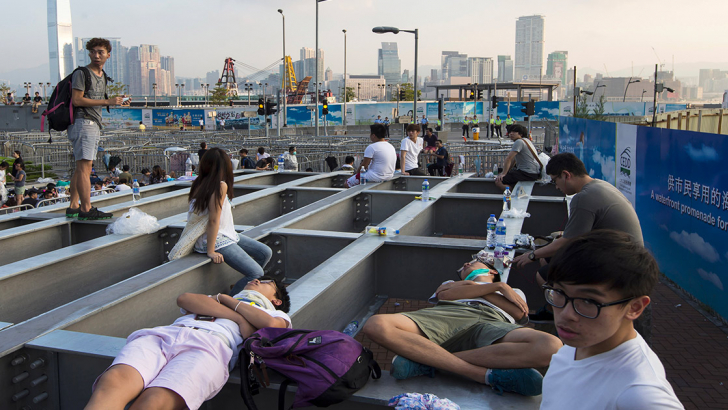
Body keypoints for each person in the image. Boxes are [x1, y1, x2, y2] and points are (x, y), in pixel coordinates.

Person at [362, 253, 562, 396]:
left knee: (551, 347)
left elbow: (518, 313)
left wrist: (483, 289)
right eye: (463, 267)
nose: (465, 264)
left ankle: (428, 362)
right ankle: (482, 375)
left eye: (472, 262)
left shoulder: (515, 291)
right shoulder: (457, 282)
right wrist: (497, 287)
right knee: (376, 325)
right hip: (448, 315)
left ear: (492, 271)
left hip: (492, 322)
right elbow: (445, 295)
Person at [84, 277, 291, 410]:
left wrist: (224, 300)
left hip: (211, 348)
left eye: (266, 282)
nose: (257, 279)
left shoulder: (276, 313)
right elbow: (185, 299)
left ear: (276, 300)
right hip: (168, 334)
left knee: (156, 401)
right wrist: (234, 312)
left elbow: (272, 325)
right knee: (114, 381)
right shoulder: (222, 299)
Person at [539, 230, 683, 409]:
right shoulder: (573, 349)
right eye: (559, 292)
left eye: (588, 301)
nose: (567, 314)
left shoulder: (639, 393)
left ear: (635, 307)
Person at [512, 153, 645, 325]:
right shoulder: (600, 186)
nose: (557, 187)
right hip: (624, 255)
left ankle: (570, 318)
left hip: (619, 264)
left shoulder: (583, 197)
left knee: (543, 275)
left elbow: (568, 241)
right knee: (548, 258)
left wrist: (531, 255)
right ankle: (552, 311)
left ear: (566, 175)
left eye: (555, 181)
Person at [188, 148, 273, 294]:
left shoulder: (199, 182)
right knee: (256, 273)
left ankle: (243, 286)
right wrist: (211, 251)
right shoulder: (220, 186)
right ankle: (231, 302)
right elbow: (213, 220)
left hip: (226, 234)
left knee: (265, 252)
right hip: (217, 239)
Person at [65, 38, 123, 220]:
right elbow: (77, 100)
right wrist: (108, 101)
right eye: (93, 51)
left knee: (82, 166)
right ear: (89, 53)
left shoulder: (102, 75)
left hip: (93, 123)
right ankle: (86, 209)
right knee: (85, 167)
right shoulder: (83, 74)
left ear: (108, 55)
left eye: (101, 52)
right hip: (83, 122)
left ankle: (74, 205)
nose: (97, 55)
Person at [494, 124, 541, 191]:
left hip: (527, 173)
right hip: (533, 173)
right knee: (509, 176)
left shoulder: (519, 142)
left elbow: (509, 158)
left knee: (499, 180)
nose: (511, 134)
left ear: (521, 134)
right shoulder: (527, 141)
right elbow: (513, 160)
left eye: (514, 132)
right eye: (510, 132)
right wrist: (507, 171)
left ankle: (513, 192)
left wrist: (503, 174)